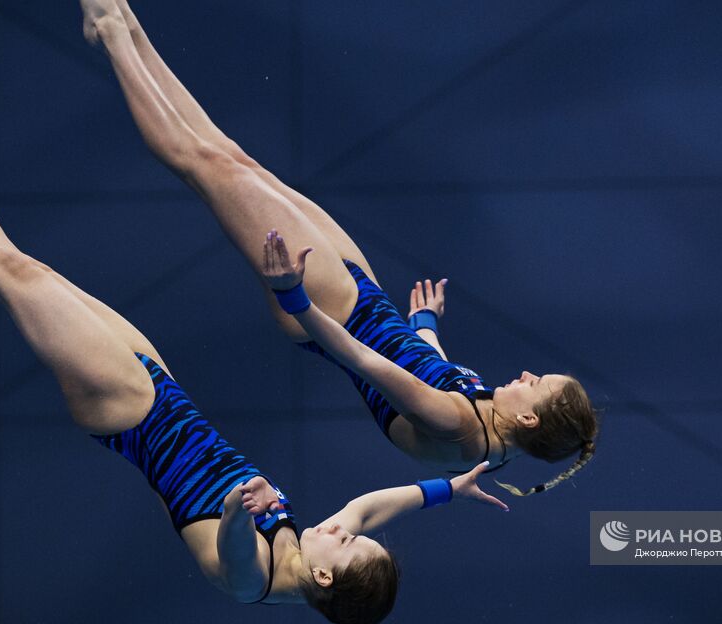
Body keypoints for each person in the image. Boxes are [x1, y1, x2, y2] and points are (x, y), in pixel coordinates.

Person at [0, 73, 507, 624]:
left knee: (11, 273)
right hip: (159, 389)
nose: (344, 526)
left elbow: (230, 554)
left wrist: (233, 510)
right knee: (29, 271)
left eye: (345, 544)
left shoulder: (255, 580)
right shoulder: (308, 550)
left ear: (325, 581)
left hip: (130, 413)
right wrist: (450, 486)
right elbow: (376, 505)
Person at [81, 0, 599, 495]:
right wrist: (426, 325)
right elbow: (426, 369)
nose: (528, 374)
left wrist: (293, 297)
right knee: (235, 160)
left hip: (333, 308)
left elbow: (363, 360)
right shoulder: (497, 433)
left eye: (537, 383)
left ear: (529, 417)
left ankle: (112, 34)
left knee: (206, 165)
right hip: (364, 297)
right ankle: (124, 27)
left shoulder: (461, 427)